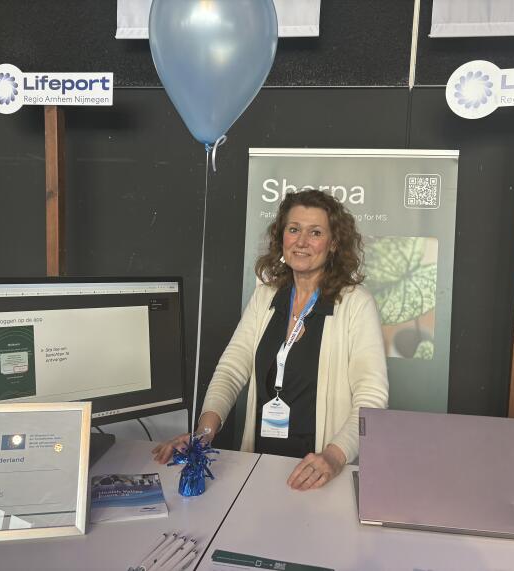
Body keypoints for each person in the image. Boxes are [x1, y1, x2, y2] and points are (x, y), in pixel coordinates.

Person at [153, 190, 389, 490]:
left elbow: (371, 398)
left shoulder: (355, 303)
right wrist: (203, 434)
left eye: (315, 232)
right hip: (260, 464)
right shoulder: (266, 296)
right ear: (281, 237)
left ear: (333, 243)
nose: (302, 241)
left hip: (319, 471)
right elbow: (231, 369)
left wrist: (334, 456)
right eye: (294, 229)